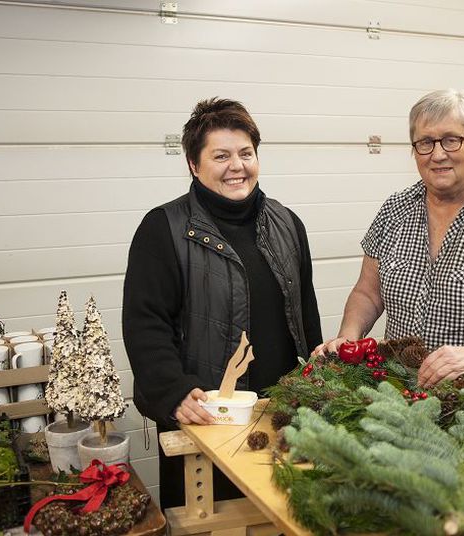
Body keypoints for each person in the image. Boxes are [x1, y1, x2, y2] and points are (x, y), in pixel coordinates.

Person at [123, 97, 322, 508]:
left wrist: (316, 386)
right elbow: (146, 324)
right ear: (194, 165)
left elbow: (306, 316)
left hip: (281, 419)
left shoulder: (288, 223)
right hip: (208, 422)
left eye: (246, 153)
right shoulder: (164, 229)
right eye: (221, 155)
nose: (237, 166)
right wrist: (172, 390)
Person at [316, 89, 464, 400]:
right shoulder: (394, 211)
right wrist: (348, 340)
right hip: (402, 398)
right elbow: (367, 293)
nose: (438, 154)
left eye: (451, 140)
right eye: (425, 143)